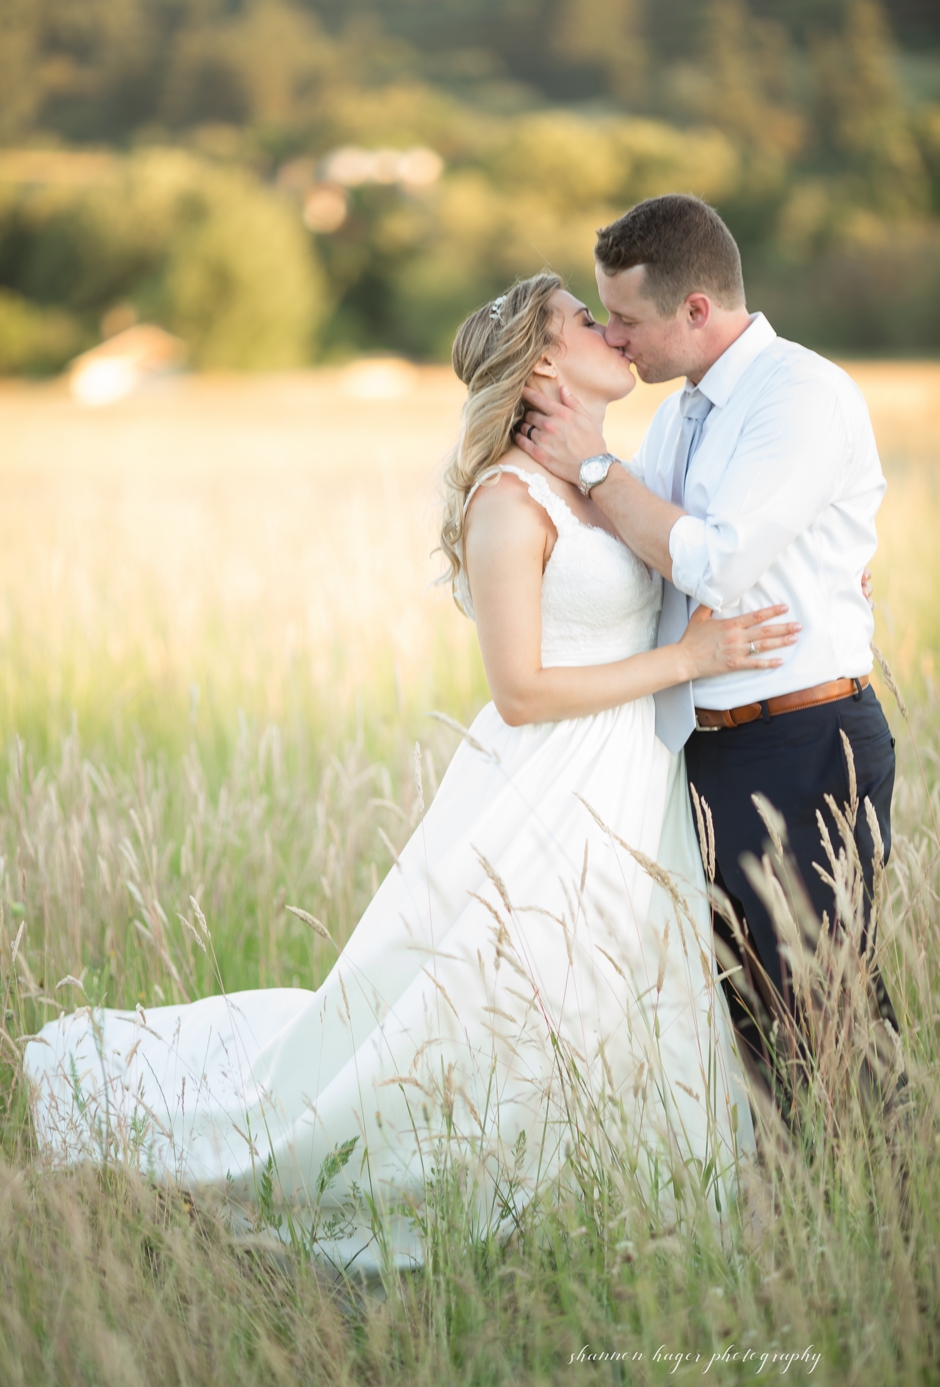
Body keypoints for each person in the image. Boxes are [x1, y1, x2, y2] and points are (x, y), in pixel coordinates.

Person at [24, 273, 796, 1271]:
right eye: (582, 320)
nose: (611, 331)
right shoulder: (508, 499)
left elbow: (713, 554)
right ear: (544, 361)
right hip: (548, 782)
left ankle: (611, 1193)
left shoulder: (608, 475)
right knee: (516, 993)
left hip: (627, 778)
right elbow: (519, 688)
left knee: (611, 988)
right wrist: (689, 662)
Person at [515, 195, 901, 1113]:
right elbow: (649, 560)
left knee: (823, 1006)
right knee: (748, 1017)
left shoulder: (799, 395)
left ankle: (882, 1204)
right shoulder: (686, 410)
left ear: (696, 310)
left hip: (802, 743)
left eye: (628, 318)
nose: (615, 338)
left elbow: (717, 566)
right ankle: (792, 1204)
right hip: (711, 746)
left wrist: (596, 468)